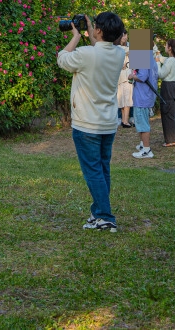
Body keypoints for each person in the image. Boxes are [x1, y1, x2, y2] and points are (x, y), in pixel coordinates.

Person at [56, 12, 126, 233]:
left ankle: (105, 216)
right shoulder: (118, 53)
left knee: (93, 171)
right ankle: (98, 213)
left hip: (87, 124)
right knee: (103, 169)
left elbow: (62, 59)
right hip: (107, 123)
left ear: (99, 30)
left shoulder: (85, 54)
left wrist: (76, 36)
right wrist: (89, 30)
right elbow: (100, 48)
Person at [130, 52, 159, 159]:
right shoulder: (150, 57)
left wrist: (132, 76)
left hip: (142, 97)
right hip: (147, 96)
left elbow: (142, 76)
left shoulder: (142, 56)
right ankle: (143, 145)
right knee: (142, 121)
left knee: (143, 124)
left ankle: (147, 150)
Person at [116, 31, 134, 128]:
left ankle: (124, 120)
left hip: (124, 76)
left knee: (125, 99)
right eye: (122, 35)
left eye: (125, 35)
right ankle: (125, 121)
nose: (124, 37)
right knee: (125, 99)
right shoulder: (119, 48)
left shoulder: (120, 48)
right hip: (123, 77)